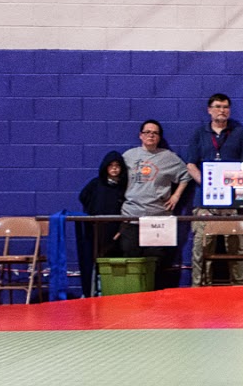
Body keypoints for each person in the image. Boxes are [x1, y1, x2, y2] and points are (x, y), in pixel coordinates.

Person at [184, 93, 243, 286]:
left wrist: (233, 183)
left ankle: (241, 287)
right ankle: (199, 288)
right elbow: (191, 165)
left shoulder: (239, 133)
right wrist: (207, 183)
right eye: (217, 106)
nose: (222, 110)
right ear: (209, 110)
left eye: (225, 107)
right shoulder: (199, 134)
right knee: (201, 247)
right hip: (204, 203)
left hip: (232, 202)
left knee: (237, 247)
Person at [120, 120, 188, 289]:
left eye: (155, 133)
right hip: (131, 217)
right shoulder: (128, 156)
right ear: (140, 135)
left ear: (159, 137)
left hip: (158, 218)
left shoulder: (168, 157)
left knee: (157, 262)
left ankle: (153, 298)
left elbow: (186, 175)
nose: (151, 135)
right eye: (147, 132)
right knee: (131, 259)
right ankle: (133, 298)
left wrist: (176, 195)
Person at [76, 151, 126, 296]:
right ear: (105, 168)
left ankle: (111, 291)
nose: (114, 169)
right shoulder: (96, 184)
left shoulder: (123, 187)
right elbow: (83, 197)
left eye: (117, 166)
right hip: (96, 228)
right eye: (111, 166)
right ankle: (92, 292)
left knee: (113, 259)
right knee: (94, 259)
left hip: (116, 229)